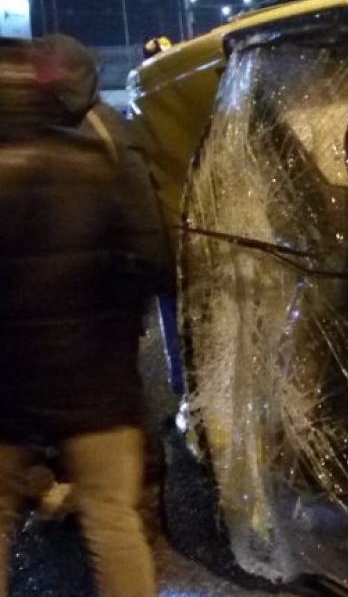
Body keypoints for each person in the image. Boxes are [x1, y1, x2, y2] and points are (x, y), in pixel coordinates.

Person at [0, 35, 171, 597]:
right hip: (96, 379)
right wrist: (119, 332)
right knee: (112, 518)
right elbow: (148, 259)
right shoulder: (91, 161)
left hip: (6, 383)